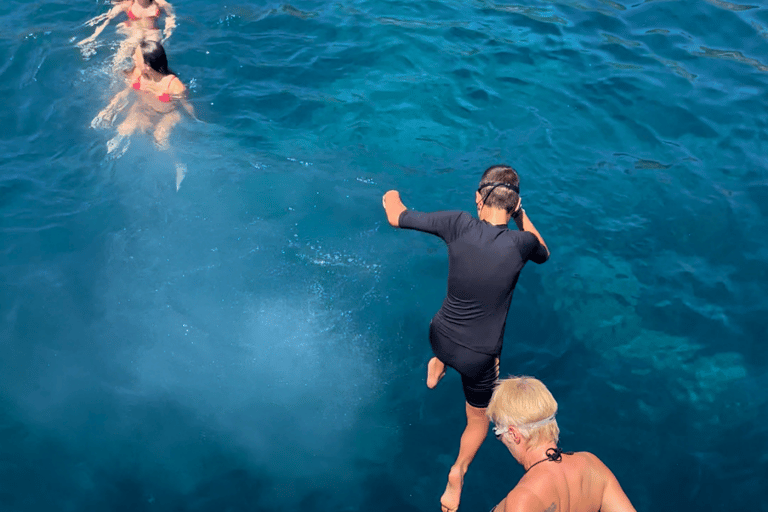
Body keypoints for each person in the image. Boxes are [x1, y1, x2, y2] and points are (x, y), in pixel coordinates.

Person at [381, 164, 550, 512]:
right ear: (515, 204)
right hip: (479, 357)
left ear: (479, 197)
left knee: (447, 334)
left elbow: (396, 216)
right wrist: (521, 215)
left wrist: (391, 195)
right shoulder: (522, 244)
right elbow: (543, 252)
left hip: (439, 335)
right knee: (478, 420)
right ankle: (457, 473)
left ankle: (437, 366)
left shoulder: (457, 224)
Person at [487, 376, 636, 512]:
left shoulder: (523, 498)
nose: (501, 439)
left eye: (498, 432)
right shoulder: (592, 466)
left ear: (514, 434)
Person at [94, 39, 194, 189]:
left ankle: (177, 165)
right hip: (144, 109)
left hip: (168, 114)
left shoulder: (174, 85)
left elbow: (187, 107)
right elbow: (125, 90)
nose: (133, 58)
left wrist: (195, 121)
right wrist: (111, 107)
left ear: (147, 66)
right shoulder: (138, 73)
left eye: (136, 57)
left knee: (160, 139)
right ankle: (108, 165)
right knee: (124, 128)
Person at [77, 0, 176, 68]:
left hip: (152, 31)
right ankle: (116, 70)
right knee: (123, 54)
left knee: (153, 58)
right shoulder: (128, 4)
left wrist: (168, 31)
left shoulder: (160, 3)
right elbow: (108, 18)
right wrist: (92, 37)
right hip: (134, 31)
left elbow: (171, 16)